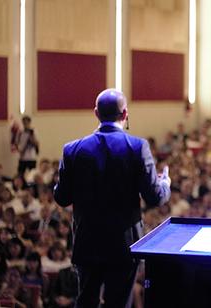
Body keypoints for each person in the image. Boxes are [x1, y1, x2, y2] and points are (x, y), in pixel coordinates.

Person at [54, 88, 171, 308]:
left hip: (87, 242)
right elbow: (154, 198)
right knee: (118, 303)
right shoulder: (137, 147)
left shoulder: (72, 150)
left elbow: (62, 197)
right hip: (124, 245)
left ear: (96, 113)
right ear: (125, 114)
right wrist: (165, 184)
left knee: (86, 302)